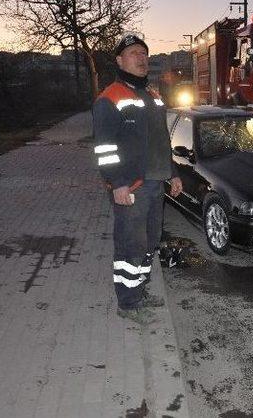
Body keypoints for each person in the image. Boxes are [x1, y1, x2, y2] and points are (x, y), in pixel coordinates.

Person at [92, 33, 182, 324]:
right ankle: (128, 304)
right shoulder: (110, 97)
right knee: (131, 244)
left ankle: (140, 292)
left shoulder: (153, 97)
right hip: (131, 187)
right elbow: (104, 149)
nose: (141, 58)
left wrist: (174, 173)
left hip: (156, 184)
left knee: (150, 242)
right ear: (120, 60)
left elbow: (162, 141)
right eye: (133, 53)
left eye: (143, 53)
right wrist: (116, 183)